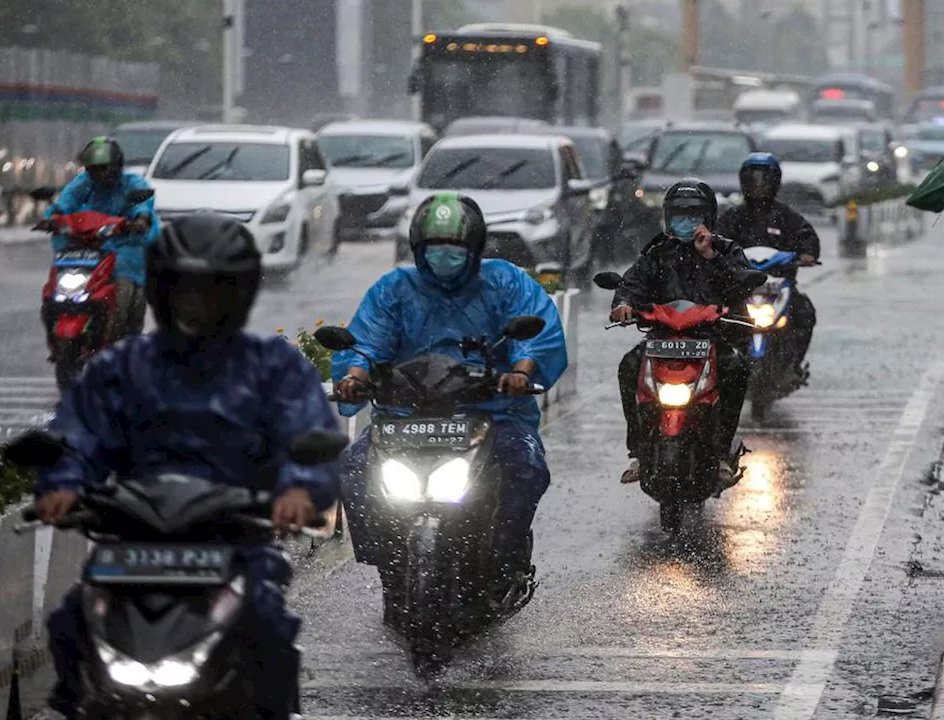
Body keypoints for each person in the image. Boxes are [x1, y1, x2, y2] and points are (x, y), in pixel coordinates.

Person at [34, 213, 339, 718]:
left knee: (269, 629)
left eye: (214, 292)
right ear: (162, 292)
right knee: (69, 622)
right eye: (187, 291)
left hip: (234, 544)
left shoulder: (274, 367)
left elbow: (305, 435)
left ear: (237, 295)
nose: (199, 305)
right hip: (132, 545)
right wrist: (63, 483)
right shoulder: (121, 367)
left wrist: (300, 490)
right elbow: (76, 434)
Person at [332, 192, 567, 592]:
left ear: (474, 249)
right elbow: (367, 343)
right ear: (418, 249)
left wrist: (520, 373)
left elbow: (536, 336)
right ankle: (389, 564)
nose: (444, 258)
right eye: (434, 249)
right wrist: (354, 378)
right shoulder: (395, 289)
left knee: (523, 469)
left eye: (454, 249)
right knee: (354, 467)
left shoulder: (505, 282)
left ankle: (503, 560)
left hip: (492, 413)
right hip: (406, 417)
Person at [613, 178, 753, 485]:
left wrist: (710, 258)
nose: (685, 223)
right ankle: (638, 449)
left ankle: (721, 455)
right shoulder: (657, 253)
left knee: (737, 368)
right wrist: (624, 303)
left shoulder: (727, 251)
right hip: (663, 339)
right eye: (679, 215)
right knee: (629, 366)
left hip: (713, 339)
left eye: (693, 216)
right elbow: (632, 283)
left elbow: (739, 286)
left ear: (709, 219)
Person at [37, 137, 160, 345]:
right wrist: (53, 217)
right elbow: (67, 201)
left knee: (124, 280)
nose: (99, 174)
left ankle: (121, 327)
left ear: (117, 167)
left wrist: (140, 219)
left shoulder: (134, 184)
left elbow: (144, 206)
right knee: (53, 289)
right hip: (88, 243)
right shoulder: (84, 183)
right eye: (93, 169)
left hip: (125, 242)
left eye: (104, 169)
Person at [715, 152, 820, 377]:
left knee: (805, 314)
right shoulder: (732, 218)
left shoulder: (787, 217)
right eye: (753, 180)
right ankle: (720, 369)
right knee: (716, 318)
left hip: (778, 286)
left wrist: (807, 254)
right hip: (739, 289)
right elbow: (715, 241)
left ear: (775, 182)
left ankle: (793, 367)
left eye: (764, 180)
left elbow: (807, 236)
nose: (758, 186)